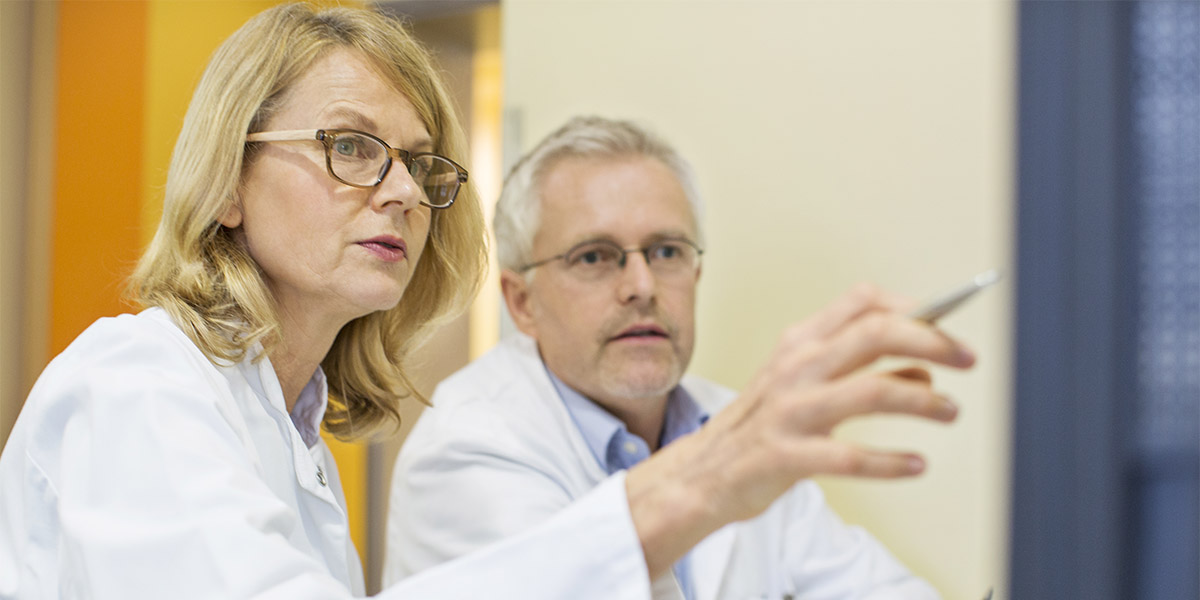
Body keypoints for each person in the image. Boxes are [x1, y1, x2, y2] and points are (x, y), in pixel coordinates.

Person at [385, 116, 973, 599]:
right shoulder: (468, 450)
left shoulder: (732, 423)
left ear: (696, 272)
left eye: (666, 250)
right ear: (521, 302)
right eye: (595, 257)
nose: (642, 284)